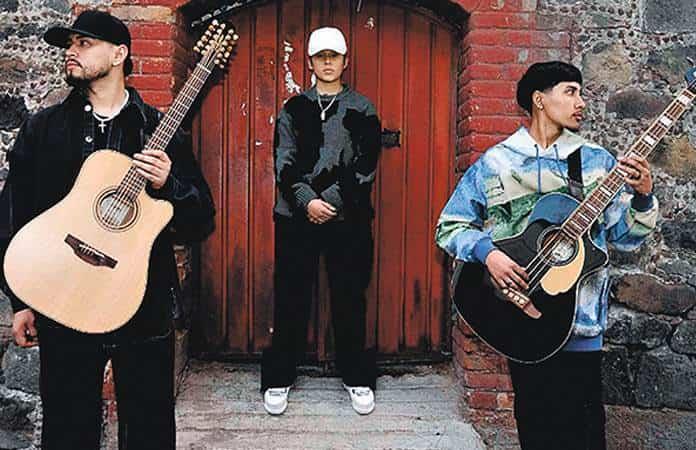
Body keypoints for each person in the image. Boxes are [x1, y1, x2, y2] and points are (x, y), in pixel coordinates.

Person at [3, 10, 215, 449]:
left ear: (119, 54)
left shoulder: (158, 129)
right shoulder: (44, 129)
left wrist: (169, 185)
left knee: (148, 429)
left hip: (141, 303)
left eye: (84, 43)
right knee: (67, 429)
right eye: (69, 45)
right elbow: (12, 212)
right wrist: (20, 300)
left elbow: (201, 219)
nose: (71, 52)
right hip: (62, 297)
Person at [435, 61, 658, 449]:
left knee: (586, 435)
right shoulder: (496, 162)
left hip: (582, 323)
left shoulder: (597, 162)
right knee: (536, 431)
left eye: (582, 93)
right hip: (519, 317)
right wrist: (489, 254)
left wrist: (642, 197)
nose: (581, 102)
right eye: (570, 92)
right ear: (539, 100)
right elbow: (449, 227)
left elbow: (625, 239)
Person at [261, 26, 381, 416]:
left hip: (348, 218)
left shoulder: (362, 108)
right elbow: (284, 160)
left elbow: (365, 165)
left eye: (334, 56)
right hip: (295, 217)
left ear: (345, 61)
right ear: (310, 62)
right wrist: (306, 200)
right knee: (291, 296)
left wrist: (328, 200)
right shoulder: (293, 109)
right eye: (320, 56)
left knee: (349, 296)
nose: (327, 62)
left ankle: (356, 377)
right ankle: (279, 377)